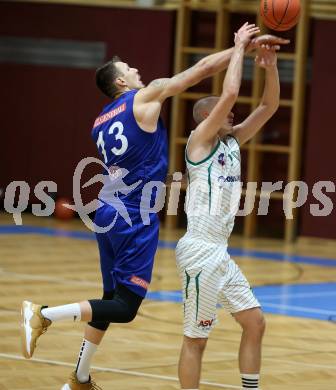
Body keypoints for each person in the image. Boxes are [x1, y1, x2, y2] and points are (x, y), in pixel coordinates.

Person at [20, 23, 287, 389]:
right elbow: (208, 74)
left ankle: (79, 377)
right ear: (121, 84)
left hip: (109, 209)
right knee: (128, 307)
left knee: (110, 300)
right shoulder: (155, 107)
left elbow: (267, 106)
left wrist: (264, 59)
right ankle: (44, 314)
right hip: (139, 215)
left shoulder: (101, 121)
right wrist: (241, 45)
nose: (136, 72)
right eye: (129, 70)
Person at [175, 26, 280, 390]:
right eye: (223, 113)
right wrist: (239, 47)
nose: (232, 115)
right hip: (199, 251)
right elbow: (232, 91)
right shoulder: (199, 143)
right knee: (196, 339)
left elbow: (269, 107)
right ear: (206, 118)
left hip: (220, 253)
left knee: (255, 322)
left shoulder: (231, 144)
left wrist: (269, 66)